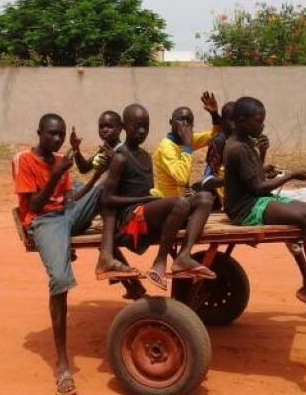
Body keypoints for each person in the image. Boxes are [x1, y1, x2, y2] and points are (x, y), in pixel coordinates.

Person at [223, 97, 306, 321]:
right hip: (246, 209)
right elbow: (257, 186)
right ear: (242, 120)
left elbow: (256, 178)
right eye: (258, 121)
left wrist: (266, 167)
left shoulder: (245, 143)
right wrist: (291, 175)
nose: (262, 126)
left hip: (259, 199)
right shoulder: (237, 148)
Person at [11, 113, 108, 395]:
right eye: (52, 133)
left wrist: (97, 177)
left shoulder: (61, 162)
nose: (57, 139)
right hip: (44, 221)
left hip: (65, 214)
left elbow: (70, 200)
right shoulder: (25, 160)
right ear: (39, 131)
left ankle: (111, 255)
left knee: (104, 191)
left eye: (61, 135)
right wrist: (55, 175)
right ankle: (63, 362)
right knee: (60, 280)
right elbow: (37, 206)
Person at [102, 104, 216, 291]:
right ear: (124, 127)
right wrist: (144, 201)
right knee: (180, 202)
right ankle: (160, 263)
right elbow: (107, 200)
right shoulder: (121, 157)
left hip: (146, 210)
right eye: (136, 126)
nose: (141, 131)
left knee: (205, 198)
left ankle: (184, 256)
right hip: (131, 220)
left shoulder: (145, 155)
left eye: (145, 126)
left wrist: (151, 198)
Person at [199, 101, 306, 215]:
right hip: (245, 201)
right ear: (228, 121)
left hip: (253, 195)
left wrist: (263, 153)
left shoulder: (244, 141)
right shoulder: (220, 142)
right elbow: (206, 182)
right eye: (232, 120)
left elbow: (253, 176)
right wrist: (237, 179)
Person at [68, 112, 145, 298]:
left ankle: (67, 229)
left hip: (113, 205)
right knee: (74, 185)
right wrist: (76, 149)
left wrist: (110, 166)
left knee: (104, 241)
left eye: (109, 126)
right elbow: (85, 168)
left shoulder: (120, 151)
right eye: (101, 126)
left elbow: (117, 183)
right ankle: (133, 287)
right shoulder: (106, 148)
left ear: (121, 129)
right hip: (102, 203)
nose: (104, 129)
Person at [152, 91, 221, 198]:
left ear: (192, 125)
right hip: (168, 200)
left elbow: (215, 136)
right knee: (205, 199)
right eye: (181, 119)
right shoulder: (166, 147)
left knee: (210, 192)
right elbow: (182, 179)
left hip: (183, 196)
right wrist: (187, 145)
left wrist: (214, 114)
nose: (185, 123)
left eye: (188, 120)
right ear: (171, 122)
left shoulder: (187, 139)